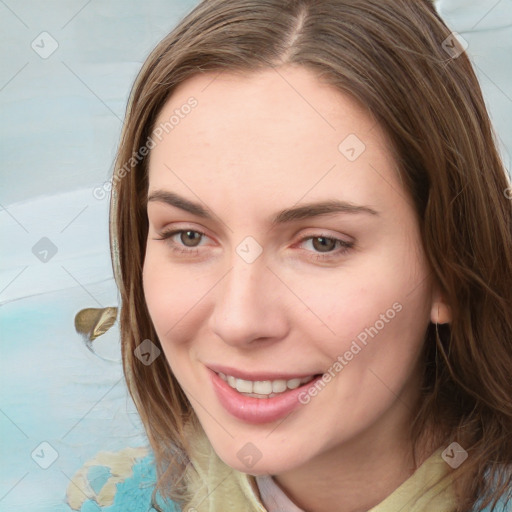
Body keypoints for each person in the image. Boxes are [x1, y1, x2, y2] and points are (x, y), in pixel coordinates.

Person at [67, 0, 512, 510]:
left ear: (451, 269)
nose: (239, 321)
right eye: (189, 236)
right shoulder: (100, 495)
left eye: (322, 243)